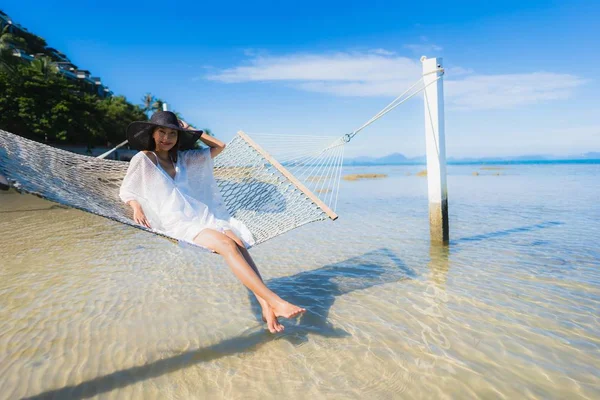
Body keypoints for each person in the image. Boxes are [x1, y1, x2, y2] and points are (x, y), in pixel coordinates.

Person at [119, 111, 305, 333]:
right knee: (227, 245)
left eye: (172, 134)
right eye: (162, 132)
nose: (166, 138)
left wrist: (191, 131)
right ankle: (274, 300)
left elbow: (220, 146)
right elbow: (127, 189)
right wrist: (136, 206)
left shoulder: (185, 159)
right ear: (152, 133)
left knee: (238, 241)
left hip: (202, 215)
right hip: (176, 222)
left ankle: (266, 304)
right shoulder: (145, 159)